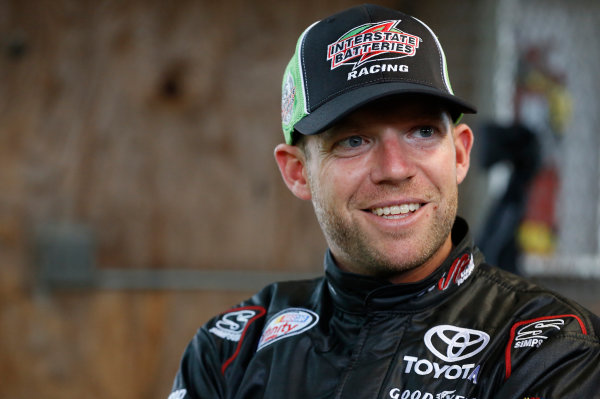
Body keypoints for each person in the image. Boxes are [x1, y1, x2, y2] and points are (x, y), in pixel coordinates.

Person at [169, 4, 600, 399]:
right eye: (353, 141)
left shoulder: (549, 348)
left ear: (461, 154)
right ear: (297, 172)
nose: (395, 168)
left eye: (422, 132)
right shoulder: (230, 349)